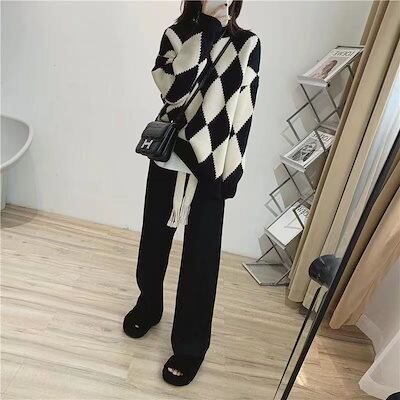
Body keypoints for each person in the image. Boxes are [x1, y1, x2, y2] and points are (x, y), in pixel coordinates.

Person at [124, 0, 261, 386]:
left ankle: (190, 345)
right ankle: (148, 304)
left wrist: (232, 173)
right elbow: (174, 92)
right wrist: (206, 32)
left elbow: (244, 111)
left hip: (211, 164)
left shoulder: (248, 43)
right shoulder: (177, 34)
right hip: (169, 154)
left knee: (201, 257)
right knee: (154, 240)